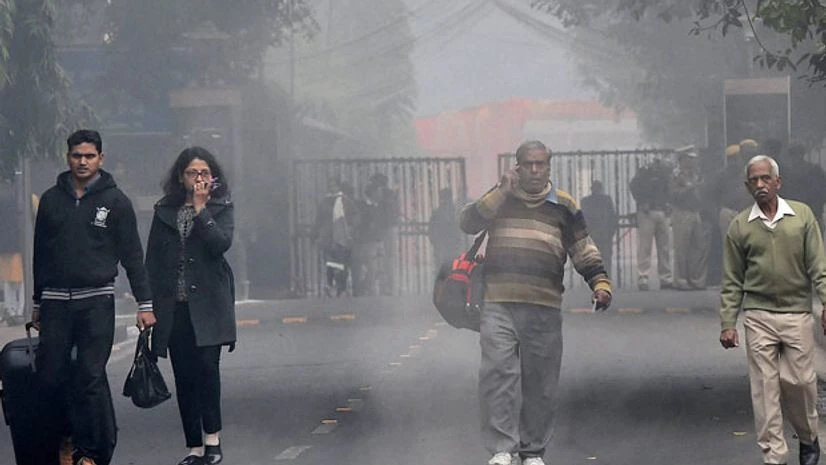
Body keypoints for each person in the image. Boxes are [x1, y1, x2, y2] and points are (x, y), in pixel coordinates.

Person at [460, 140, 612, 465]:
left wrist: (600, 282)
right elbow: (468, 222)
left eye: (539, 164)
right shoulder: (499, 198)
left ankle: (532, 452)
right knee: (497, 375)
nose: (533, 170)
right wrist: (500, 191)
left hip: (543, 305)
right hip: (499, 302)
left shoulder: (565, 205)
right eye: (527, 164)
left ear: (548, 167)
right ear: (517, 166)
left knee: (540, 382)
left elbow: (582, 248)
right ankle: (501, 448)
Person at [32, 129, 156, 465]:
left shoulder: (116, 202)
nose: (82, 162)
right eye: (76, 155)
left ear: (101, 158)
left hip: (96, 301)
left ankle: (90, 452)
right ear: (68, 157)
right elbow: (40, 253)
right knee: (51, 378)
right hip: (56, 302)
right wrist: (37, 303)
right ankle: (65, 441)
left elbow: (133, 255)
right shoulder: (51, 200)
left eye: (89, 156)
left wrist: (145, 305)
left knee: (89, 376)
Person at [720, 154, 825, 465]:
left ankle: (808, 438)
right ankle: (774, 456)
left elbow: (819, 266)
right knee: (765, 389)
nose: (760, 184)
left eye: (766, 178)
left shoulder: (802, 217)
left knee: (800, 383)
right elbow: (732, 279)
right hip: (758, 315)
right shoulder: (740, 226)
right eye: (754, 180)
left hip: (797, 314)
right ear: (747, 186)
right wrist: (728, 322)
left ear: (778, 182)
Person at [145, 146, 236, 465]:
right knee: (183, 375)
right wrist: (148, 304)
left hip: (209, 305)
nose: (198, 179)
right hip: (175, 306)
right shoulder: (164, 210)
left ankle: (213, 440)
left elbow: (220, 245)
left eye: (203, 173)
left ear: (213, 177)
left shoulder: (221, 206)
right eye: (191, 173)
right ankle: (194, 446)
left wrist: (201, 210)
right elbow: (153, 259)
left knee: (207, 371)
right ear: (180, 177)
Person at [629, 157, 673, 290]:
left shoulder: (663, 174)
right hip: (647, 212)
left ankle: (665, 277)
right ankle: (644, 276)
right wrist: (642, 201)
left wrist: (668, 204)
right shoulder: (645, 173)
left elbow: (669, 190)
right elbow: (634, 186)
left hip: (660, 210)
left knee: (664, 247)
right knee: (645, 247)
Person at [313, 179, 359, 297]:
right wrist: (316, 235)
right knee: (330, 262)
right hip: (328, 237)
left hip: (341, 238)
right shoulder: (324, 202)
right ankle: (332, 285)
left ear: (339, 187)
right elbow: (318, 220)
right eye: (330, 186)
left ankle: (341, 287)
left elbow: (354, 218)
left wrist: (350, 230)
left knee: (342, 262)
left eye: (334, 186)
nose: (332, 188)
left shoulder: (346, 201)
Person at [670, 148, 708, 290]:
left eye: (694, 158)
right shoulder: (676, 175)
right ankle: (680, 279)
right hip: (682, 212)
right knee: (681, 247)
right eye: (690, 158)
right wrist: (690, 188)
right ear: (682, 159)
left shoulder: (697, 174)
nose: (693, 161)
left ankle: (696, 278)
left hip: (695, 212)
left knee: (698, 246)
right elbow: (673, 194)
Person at [711, 144, 753, 246]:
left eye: (736, 158)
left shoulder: (749, 173)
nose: (735, 162)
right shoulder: (722, 176)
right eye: (731, 159)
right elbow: (715, 195)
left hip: (747, 211)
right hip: (728, 212)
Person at [580, 180, 617, 274]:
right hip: (604, 234)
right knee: (606, 257)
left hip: (592, 234)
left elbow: (582, 219)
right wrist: (611, 232)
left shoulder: (585, 201)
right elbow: (612, 218)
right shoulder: (607, 200)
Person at [428, 188, 463, 268]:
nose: (444, 200)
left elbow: (431, 230)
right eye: (443, 198)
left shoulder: (454, 212)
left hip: (450, 246)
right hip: (446, 246)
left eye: (445, 198)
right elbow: (432, 230)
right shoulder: (454, 212)